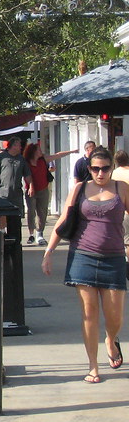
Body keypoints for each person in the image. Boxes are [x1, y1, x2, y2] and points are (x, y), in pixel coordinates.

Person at [43, 146, 129, 383]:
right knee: (89, 313)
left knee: (115, 317)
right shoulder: (80, 189)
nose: (100, 174)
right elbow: (63, 219)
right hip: (83, 255)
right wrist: (49, 251)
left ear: (112, 167)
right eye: (95, 169)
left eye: (105, 168)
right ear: (88, 168)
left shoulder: (121, 188)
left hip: (114, 258)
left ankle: (111, 339)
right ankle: (93, 366)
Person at [23, 142, 76, 246]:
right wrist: (31, 186)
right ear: (33, 152)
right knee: (31, 212)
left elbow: (58, 155)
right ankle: (31, 234)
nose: (41, 151)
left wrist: (72, 152)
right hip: (30, 191)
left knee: (42, 213)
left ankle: (40, 234)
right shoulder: (26, 162)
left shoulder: (43, 160)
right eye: (38, 150)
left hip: (43, 190)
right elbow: (26, 176)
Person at [0, 136, 33, 235]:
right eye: (19, 145)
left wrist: (31, 186)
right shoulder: (2, 157)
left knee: (16, 215)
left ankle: (15, 235)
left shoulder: (21, 159)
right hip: (3, 191)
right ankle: (3, 232)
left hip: (16, 192)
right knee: (2, 213)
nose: (21, 147)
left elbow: (27, 174)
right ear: (13, 146)